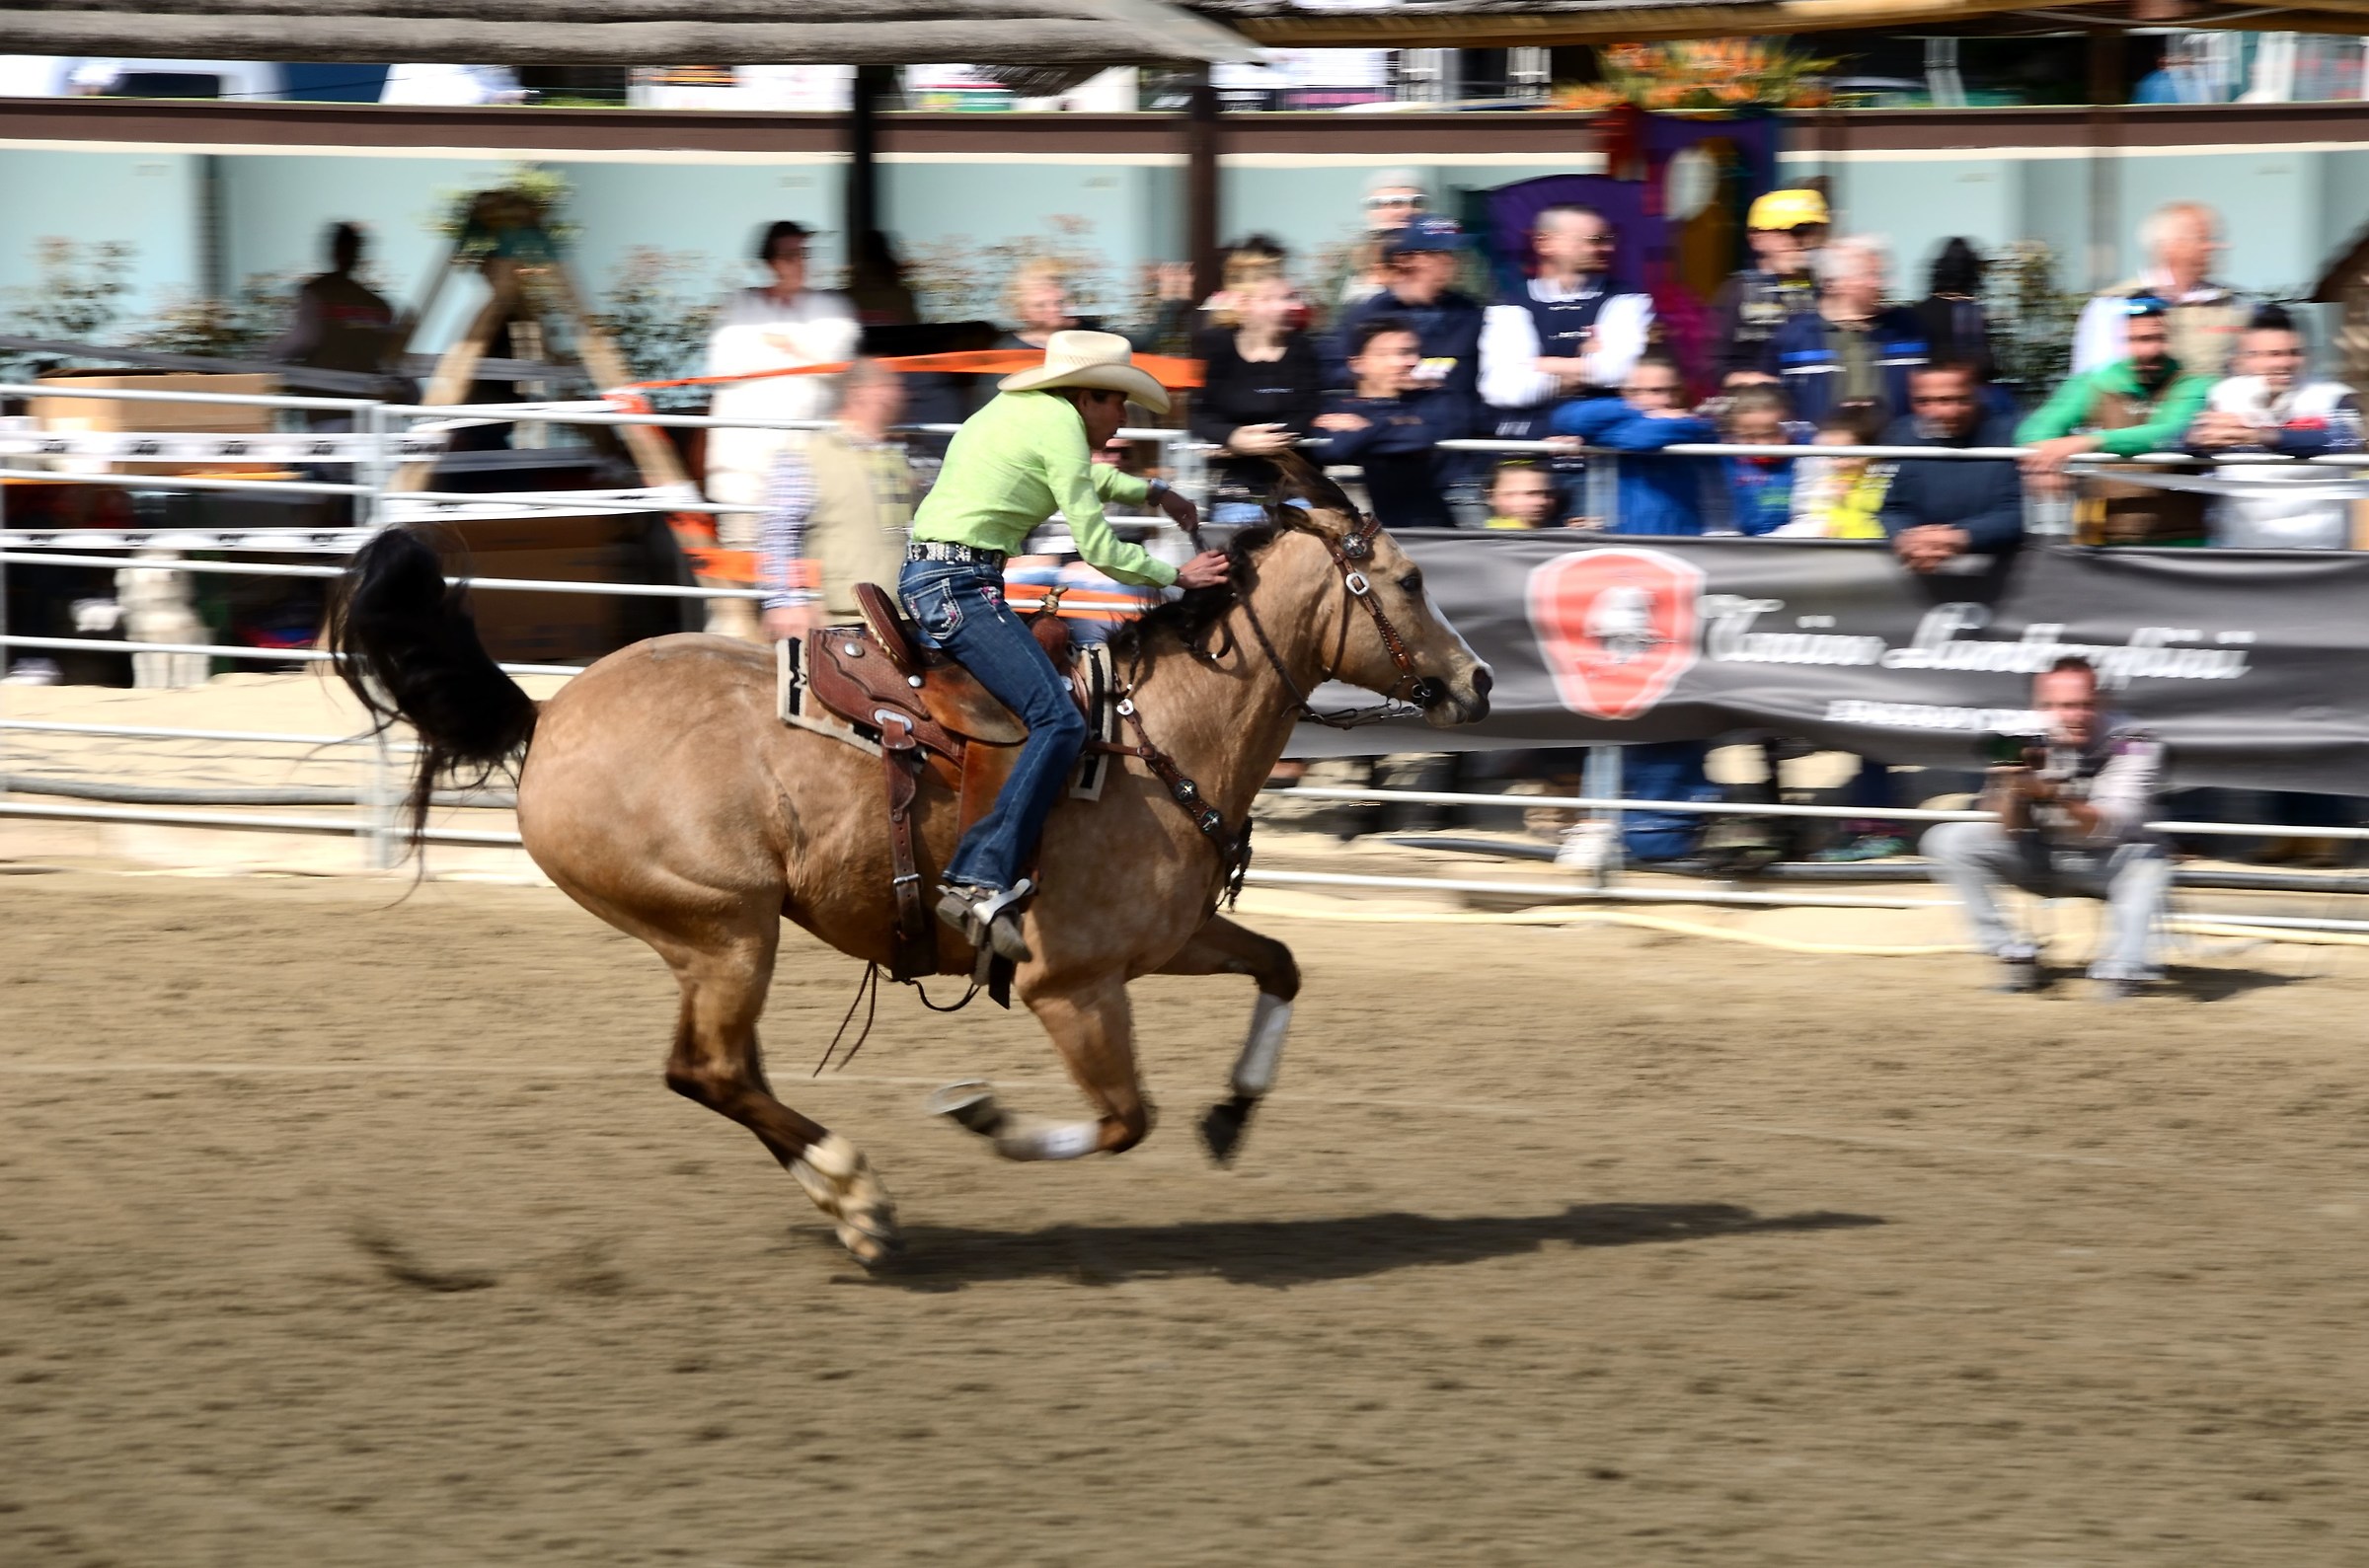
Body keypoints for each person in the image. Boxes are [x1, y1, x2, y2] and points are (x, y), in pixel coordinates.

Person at [901, 331, 1230, 961]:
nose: (1124, 419)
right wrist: (1175, 576)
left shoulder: (1021, 413)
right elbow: (1099, 547)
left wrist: (1155, 493)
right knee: (1057, 718)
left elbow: (1081, 482)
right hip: (959, 586)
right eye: (1118, 405)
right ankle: (978, 875)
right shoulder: (1057, 424)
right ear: (1086, 396)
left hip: (947, 576)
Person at [1920, 657, 2172, 1000]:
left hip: (2107, 862)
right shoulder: (2018, 736)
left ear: (2102, 702)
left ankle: (2124, 969)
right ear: (2041, 706)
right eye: (2063, 706)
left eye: (2085, 704)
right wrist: (2013, 785)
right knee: (1950, 840)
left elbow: (2114, 823)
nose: (2075, 715)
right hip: (2040, 855)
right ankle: (2012, 953)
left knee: (2149, 863)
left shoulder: (2134, 740)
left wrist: (2053, 795)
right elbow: (2006, 830)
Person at [704, 221, 863, 624]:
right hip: (745, 480)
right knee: (741, 592)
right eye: (791, 255)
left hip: (808, 478)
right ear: (772, 262)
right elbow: (726, 364)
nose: (801, 264)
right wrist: (798, 355)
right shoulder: (739, 307)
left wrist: (781, 347)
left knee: (808, 591)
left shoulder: (831, 308)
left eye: (805, 254)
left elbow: (835, 362)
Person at [2019, 296, 2215, 545]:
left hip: (2181, 541)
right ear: (2121, 340)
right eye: (2137, 340)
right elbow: (2038, 426)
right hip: (2102, 542)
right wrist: (2041, 459)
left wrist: (2085, 442)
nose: (2148, 351)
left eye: (2157, 338)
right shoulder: (2097, 383)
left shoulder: (2194, 385)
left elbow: (2171, 433)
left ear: (2172, 338)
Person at [757, 358, 916, 643]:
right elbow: (779, 530)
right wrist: (785, 601)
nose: (900, 394)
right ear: (859, 392)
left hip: (911, 612)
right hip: (845, 618)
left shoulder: (904, 456)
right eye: (889, 386)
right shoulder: (807, 456)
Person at [2186, 304, 2363, 550]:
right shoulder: (2221, 396)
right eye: (2272, 354)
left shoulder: (2333, 396)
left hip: (2320, 556)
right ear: (2247, 359)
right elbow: (2179, 441)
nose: (2284, 363)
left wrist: (2259, 436)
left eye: (2293, 353)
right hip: (2240, 553)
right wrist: (2197, 438)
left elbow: (2349, 439)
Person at [1478, 204, 1655, 440]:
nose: (1608, 247)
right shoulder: (1509, 305)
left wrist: (1541, 364)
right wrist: (1587, 368)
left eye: (1610, 239)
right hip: (1528, 447)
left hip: (1600, 448)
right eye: (1596, 239)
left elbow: (1622, 370)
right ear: (1545, 243)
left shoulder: (1628, 299)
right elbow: (1502, 389)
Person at [1188, 269, 1324, 526]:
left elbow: (1307, 410)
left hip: (1295, 489)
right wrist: (1234, 438)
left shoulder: (1304, 349)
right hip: (1237, 493)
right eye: (1274, 298)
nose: (1288, 305)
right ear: (1248, 305)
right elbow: (1199, 416)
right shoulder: (1219, 349)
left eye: (1290, 298)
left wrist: (1262, 441)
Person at [1312, 316, 1461, 530]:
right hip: (1353, 538)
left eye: (1413, 352)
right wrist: (1396, 424)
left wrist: (1366, 429)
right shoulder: (1337, 407)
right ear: (1358, 363)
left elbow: (1423, 437)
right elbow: (1334, 449)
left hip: (1426, 531)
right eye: (1395, 353)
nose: (1411, 361)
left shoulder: (1433, 399)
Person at [2072, 202, 2247, 379]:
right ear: (2169, 246)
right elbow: (2091, 382)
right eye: (2202, 239)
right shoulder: (2112, 305)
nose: (2214, 247)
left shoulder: (2234, 305)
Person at [1547, 353, 1716, 536]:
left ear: (1679, 392)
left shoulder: (1694, 424)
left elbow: (1640, 439)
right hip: (1621, 534)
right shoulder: (1635, 414)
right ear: (1623, 392)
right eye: (1636, 392)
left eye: (1659, 390)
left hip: (1677, 536)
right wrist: (1632, 410)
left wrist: (1592, 438)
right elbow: (1568, 417)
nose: (1650, 400)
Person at [1767, 235, 1928, 425]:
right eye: (1871, 275)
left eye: (1882, 274)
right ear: (1834, 282)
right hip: (1820, 452)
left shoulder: (1908, 328)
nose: (1884, 284)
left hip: (1896, 450)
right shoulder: (1796, 336)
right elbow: (1776, 404)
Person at [1877, 362, 2025, 570]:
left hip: (2007, 572)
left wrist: (1961, 536)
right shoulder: (1901, 434)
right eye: (1923, 401)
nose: (1938, 412)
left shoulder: (2017, 435)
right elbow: (1890, 506)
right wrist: (1905, 538)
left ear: (1979, 393)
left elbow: (2023, 510)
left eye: (1955, 399)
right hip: (1919, 567)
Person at [1708, 187, 1829, 386]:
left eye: (1813, 232)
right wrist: (1758, 382)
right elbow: (1713, 365)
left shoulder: (1826, 289)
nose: (1804, 242)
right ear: (1757, 238)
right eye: (1794, 231)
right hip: (1760, 407)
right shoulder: (1739, 291)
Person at [266, 222, 400, 387]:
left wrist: (264, 363)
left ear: (334, 251)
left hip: (327, 397)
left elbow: (301, 340)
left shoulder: (318, 292)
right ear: (357, 254)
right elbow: (389, 358)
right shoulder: (380, 307)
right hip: (366, 400)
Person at [1779, 403, 1889, 539]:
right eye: (1832, 456)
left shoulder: (1882, 478)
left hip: (1868, 544)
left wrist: (1849, 495)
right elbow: (1815, 511)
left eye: (1847, 456)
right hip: (1832, 543)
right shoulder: (1832, 478)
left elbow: (1878, 505)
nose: (1839, 464)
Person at [1333, 169, 1432, 308]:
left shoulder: (1445, 253)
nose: (1401, 211)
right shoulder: (1352, 256)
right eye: (1382, 203)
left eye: (1414, 202)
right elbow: (1338, 313)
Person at [1718, 384, 1803, 536]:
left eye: (1771, 434)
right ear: (1731, 436)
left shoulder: (1802, 455)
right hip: (1738, 544)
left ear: (1790, 428)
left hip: (1791, 542)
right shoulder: (1725, 458)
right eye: (1749, 437)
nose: (1762, 444)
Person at [1910, 238, 1994, 383]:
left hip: (1929, 390)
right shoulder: (1973, 314)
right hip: (1965, 392)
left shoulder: (1917, 312)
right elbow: (1987, 367)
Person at [1481, 460, 1563, 530]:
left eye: (1548, 494)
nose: (1541, 502)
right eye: (1529, 494)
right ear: (1491, 496)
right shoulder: (1477, 539)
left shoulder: (1567, 534)